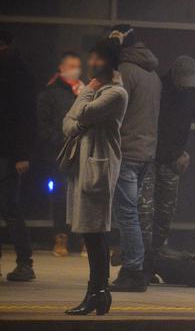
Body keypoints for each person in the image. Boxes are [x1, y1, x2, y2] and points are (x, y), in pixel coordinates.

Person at [138, 56, 195, 261]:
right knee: (145, 210)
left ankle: (155, 252)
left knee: (166, 210)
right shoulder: (158, 89)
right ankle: (142, 257)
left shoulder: (194, 96)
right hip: (150, 157)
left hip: (171, 159)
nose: (184, 87)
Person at [62, 38, 128, 315]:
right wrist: (77, 116)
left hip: (98, 168)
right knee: (91, 234)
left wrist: (86, 91)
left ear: (110, 62)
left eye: (98, 58)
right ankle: (97, 293)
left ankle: (98, 292)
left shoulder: (116, 94)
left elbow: (84, 114)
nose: (92, 63)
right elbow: (67, 123)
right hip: (84, 165)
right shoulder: (99, 91)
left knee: (96, 233)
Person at [107, 24, 161, 291]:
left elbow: (113, 111)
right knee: (133, 213)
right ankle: (138, 267)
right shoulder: (153, 75)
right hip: (145, 153)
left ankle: (133, 270)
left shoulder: (125, 73)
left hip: (126, 151)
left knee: (126, 215)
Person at [37, 51, 85, 257]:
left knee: (82, 197)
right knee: (59, 196)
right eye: (71, 66)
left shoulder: (85, 92)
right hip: (59, 154)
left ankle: (82, 239)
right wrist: (62, 140)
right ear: (61, 68)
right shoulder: (49, 93)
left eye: (78, 66)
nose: (75, 70)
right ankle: (60, 237)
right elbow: (44, 126)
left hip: (83, 154)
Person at [0, 30, 36, 281]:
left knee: (10, 206)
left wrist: (22, 154)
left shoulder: (18, 72)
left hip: (9, 152)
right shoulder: (16, 69)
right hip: (9, 150)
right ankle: (24, 263)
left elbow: (25, 117)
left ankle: (25, 262)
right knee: (10, 206)